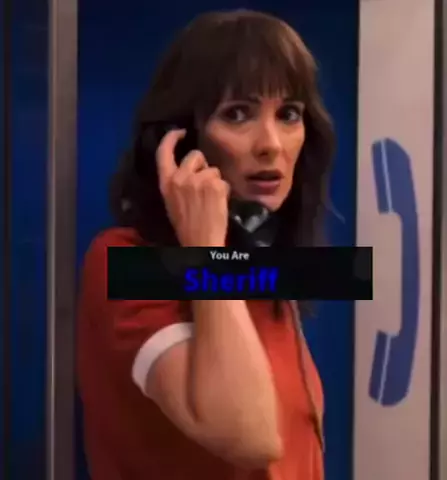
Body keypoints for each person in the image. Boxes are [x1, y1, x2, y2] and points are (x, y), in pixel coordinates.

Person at [77, 9, 335, 480]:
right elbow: (251, 437)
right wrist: (206, 253)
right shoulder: (125, 263)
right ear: (181, 141)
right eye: (237, 114)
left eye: (289, 115)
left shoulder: (259, 270)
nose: (271, 144)